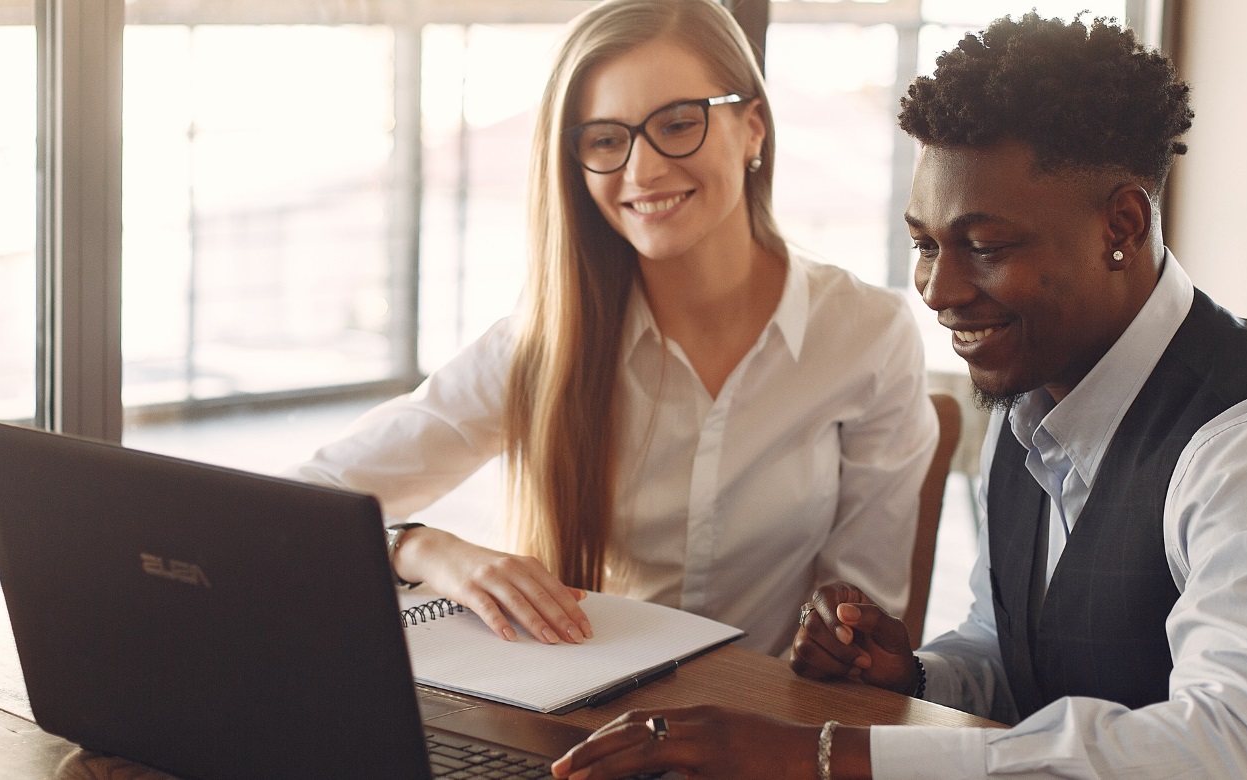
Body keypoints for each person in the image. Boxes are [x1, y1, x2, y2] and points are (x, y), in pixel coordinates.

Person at [551, 12, 1247, 780]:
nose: (938, 289)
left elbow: (1242, 752)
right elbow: (1017, 656)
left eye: (984, 246)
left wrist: (834, 754)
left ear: (1122, 223)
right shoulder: (1037, 393)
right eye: (924, 242)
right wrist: (917, 674)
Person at [289, 0, 936, 657]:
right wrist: (423, 547)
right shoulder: (542, 345)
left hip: (766, 736)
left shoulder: (869, 337)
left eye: (679, 123)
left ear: (753, 129)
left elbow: (862, 627)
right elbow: (294, 505)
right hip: (580, 733)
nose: (642, 170)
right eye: (605, 139)